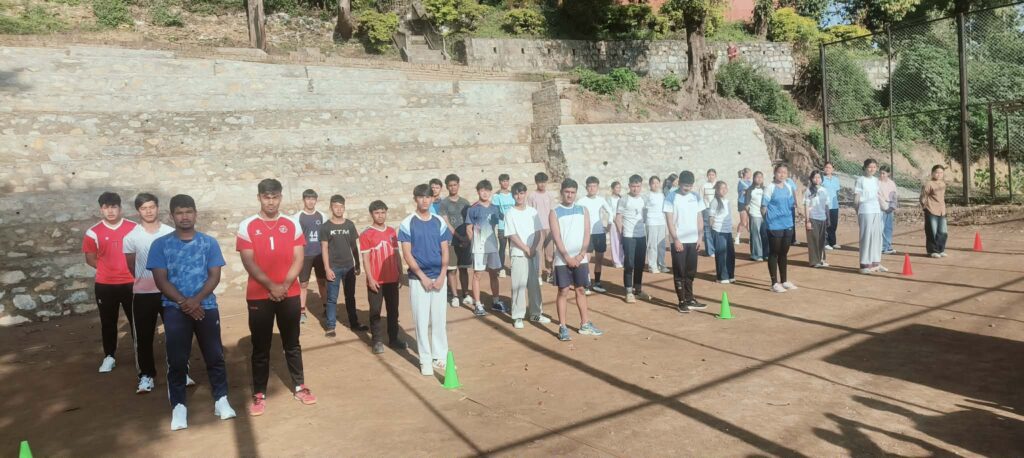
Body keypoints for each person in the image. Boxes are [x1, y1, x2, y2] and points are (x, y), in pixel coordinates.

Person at [148, 194, 236, 430]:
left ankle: (221, 399)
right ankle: (179, 406)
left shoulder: (209, 243)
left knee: (215, 356)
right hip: (174, 309)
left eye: (188, 211)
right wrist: (184, 302)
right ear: (172, 216)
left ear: (195, 214)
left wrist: (195, 301)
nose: (184, 216)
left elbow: (214, 276)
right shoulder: (160, 245)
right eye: (179, 212)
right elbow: (160, 279)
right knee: (177, 359)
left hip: (206, 308)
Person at [237, 178, 316, 416]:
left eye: (274, 197)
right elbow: (248, 261)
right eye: (266, 197)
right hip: (259, 296)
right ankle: (259, 393)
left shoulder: (292, 224)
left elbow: (299, 258)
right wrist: (272, 286)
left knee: (292, 344)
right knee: (260, 347)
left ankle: (299, 387)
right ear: (259, 198)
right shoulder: (247, 225)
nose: (270, 202)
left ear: (280, 197)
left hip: (289, 293)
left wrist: (284, 285)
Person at [398, 184, 452, 376]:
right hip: (418, 279)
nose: (425, 200)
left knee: (439, 320)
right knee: (421, 321)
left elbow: (445, 249)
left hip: (439, 278)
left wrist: (443, 274)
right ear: (415, 199)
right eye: (421, 197)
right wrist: (422, 277)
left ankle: (440, 357)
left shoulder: (439, 221)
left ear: (432, 199)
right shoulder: (407, 223)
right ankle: (425, 360)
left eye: (428, 197)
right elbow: (407, 253)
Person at [122, 193, 174, 393]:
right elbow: (131, 265)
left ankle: (180, 371)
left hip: (169, 291)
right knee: (143, 336)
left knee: (176, 333)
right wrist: (145, 280)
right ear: (138, 211)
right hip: (143, 294)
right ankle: (146, 375)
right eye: (144, 208)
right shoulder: (131, 237)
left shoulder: (170, 232)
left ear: (157, 207)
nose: (149, 211)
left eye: (151, 207)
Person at [84, 191, 138, 373]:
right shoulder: (93, 232)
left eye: (114, 207)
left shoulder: (134, 228)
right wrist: (108, 270)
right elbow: (90, 258)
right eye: (106, 207)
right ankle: (109, 357)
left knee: (136, 321)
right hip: (105, 285)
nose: (110, 211)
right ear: (101, 210)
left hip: (131, 283)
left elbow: (141, 252)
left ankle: (140, 354)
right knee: (108, 322)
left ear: (120, 208)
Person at [550, 179, 604, 341]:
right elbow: (557, 237)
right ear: (562, 192)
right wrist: (567, 257)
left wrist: (581, 256)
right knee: (563, 291)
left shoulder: (583, 210)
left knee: (580, 290)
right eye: (567, 192)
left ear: (576, 193)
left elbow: (587, 233)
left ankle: (585, 324)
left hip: (580, 259)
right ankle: (563, 327)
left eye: (573, 192)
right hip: (562, 260)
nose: (570, 195)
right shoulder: (554, 212)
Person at [358, 200, 407, 354]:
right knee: (375, 311)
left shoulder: (392, 232)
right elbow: (365, 259)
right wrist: (370, 278)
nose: (380, 215)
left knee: (393, 311)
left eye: (383, 212)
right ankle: (377, 341)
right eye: (377, 213)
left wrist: (400, 273)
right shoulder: (366, 234)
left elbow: (396, 254)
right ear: (371, 214)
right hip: (376, 281)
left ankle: (393, 339)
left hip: (392, 278)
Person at [504, 182, 550, 329]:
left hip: (533, 253)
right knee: (518, 285)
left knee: (534, 284)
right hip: (519, 254)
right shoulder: (509, 213)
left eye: (522, 193)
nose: (519, 196)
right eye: (516, 194)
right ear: (513, 196)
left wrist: (533, 248)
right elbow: (512, 234)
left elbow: (538, 232)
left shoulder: (532, 212)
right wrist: (525, 249)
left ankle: (536, 313)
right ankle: (518, 316)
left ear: (525, 194)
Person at [319, 194, 365, 336]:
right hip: (334, 267)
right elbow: (324, 248)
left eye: (341, 207)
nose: (339, 209)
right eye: (336, 206)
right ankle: (331, 326)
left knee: (350, 297)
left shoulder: (349, 225)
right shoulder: (325, 227)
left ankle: (354, 323)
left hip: (349, 267)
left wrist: (357, 263)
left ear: (344, 208)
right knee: (332, 298)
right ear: (331, 207)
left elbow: (354, 246)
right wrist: (327, 268)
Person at [665, 171, 707, 312]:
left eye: (690, 185)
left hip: (693, 240)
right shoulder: (671, 197)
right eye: (685, 185)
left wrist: (700, 237)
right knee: (680, 271)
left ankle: (690, 298)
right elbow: (669, 221)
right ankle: (681, 301)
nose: (687, 188)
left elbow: (699, 217)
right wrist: (676, 239)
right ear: (679, 183)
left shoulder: (696, 197)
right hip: (679, 241)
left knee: (691, 271)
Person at [466, 179, 506, 316]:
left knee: (494, 274)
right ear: (478, 192)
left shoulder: (495, 208)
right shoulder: (473, 208)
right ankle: (478, 304)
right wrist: (475, 243)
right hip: (479, 248)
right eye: (482, 190)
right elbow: (469, 229)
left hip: (493, 246)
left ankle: (496, 301)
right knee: (477, 275)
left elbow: (505, 219)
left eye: (487, 190)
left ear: (490, 192)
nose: (485, 193)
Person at [438, 174, 472, 308]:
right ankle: (455, 296)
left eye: (455, 185)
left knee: (463, 269)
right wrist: (459, 237)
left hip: (465, 241)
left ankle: (465, 294)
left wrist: (467, 238)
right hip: (451, 241)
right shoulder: (444, 204)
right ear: (447, 187)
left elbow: (469, 222)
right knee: (451, 270)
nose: (453, 187)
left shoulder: (465, 202)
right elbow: (446, 223)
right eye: (450, 185)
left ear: (458, 185)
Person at [577, 176, 614, 294]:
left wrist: (609, 225)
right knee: (586, 259)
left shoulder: (601, 200)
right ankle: (586, 283)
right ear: (586, 187)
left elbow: (610, 212)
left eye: (594, 186)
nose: (592, 188)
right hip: (587, 234)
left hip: (600, 233)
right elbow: (576, 216)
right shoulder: (581, 201)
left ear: (597, 187)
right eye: (590, 186)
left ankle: (597, 282)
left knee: (599, 259)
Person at [763, 164, 797, 293]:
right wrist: (767, 221)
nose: (782, 174)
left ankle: (784, 281)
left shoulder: (788, 187)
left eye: (784, 172)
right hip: (774, 225)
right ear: (775, 173)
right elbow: (763, 206)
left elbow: (791, 204)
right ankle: (774, 283)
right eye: (779, 172)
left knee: (784, 252)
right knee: (774, 252)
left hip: (787, 224)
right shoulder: (770, 187)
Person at [296, 189, 328, 325]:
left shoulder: (322, 216)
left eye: (313, 199)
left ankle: (326, 308)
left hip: (320, 255)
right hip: (305, 255)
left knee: (322, 282)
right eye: (308, 199)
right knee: (303, 284)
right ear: (304, 200)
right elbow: (295, 237)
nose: (310, 201)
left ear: (316, 200)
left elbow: (326, 235)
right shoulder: (297, 217)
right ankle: (301, 311)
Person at [616, 175, 648, 304]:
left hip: (641, 236)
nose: (635, 189)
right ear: (629, 186)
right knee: (629, 264)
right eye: (633, 186)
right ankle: (629, 291)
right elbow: (618, 218)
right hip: (629, 236)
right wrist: (622, 234)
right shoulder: (624, 199)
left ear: (641, 186)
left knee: (640, 264)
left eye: (638, 186)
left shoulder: (644, 199)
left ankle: (638, 290)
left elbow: (645, 216)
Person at [855, 159, 886, 274]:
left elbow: (878, 195)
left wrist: (884, 206)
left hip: (876, 210)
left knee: (876, 237)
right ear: (865, 167)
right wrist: (858, 211)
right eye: (869, 167)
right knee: (866, 237)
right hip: (865, 210)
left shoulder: (876, 180)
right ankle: (864, 265)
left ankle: (875, 263)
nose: (872, 169)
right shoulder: (860, 180)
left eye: (874, 167)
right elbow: (857, 198)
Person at [527, 172, 555, 283]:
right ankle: (538, 275)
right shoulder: (532, 196)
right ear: (536, 182)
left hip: (549, 228)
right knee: (537, 252)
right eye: (540, 182)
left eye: (544, 182)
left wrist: (553, 227)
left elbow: (552, 212)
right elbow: (529, 213)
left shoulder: (549, 195)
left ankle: (549, 273)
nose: (542, 184)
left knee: (549, 254)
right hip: (537, 228)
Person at [708, 181, 735, 283]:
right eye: (721, 188)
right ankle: (722, 277)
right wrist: (712, 231)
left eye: (725, 188)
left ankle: (730, 275)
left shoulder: (727, 201)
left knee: (730, 254)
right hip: (718, 231)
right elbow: (711, 218)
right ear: (717, 190)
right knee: (721, 254)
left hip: (728, 231)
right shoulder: (714, 201)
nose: (724, 190)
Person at [803, 171, 830, 268]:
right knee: (813, 240)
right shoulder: (808, 191)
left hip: (822, 218)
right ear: (811, 179)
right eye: (815, 177)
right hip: (812, 218)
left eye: (819, 177)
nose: (817, 179)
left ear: (822, 179)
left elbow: (826, 205)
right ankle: (814, 262)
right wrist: (807, 221)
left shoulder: (824, 190)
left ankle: (821, 260)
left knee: (822, 240)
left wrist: (828, 218)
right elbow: (806, 206)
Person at [921, 165, 948, 258]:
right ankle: (932, 251)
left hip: (942, 211)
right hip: (931, 210)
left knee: (943, 231)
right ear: (932, 173)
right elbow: (923, 197)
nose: (939, 174)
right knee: (932, 231)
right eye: (937, 172)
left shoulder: (943, 184)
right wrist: (925, 208)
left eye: (941, 173)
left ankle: (940, 250)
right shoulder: (929, 184)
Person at [493, 173, 516, 278]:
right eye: (503, 181)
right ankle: (501, 268)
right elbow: (495, 209)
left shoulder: (513, 194)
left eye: (507, 181)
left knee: (513, 247)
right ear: (500, 182)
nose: (505, 183)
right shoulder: (496, 196)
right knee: (502, 247)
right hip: (502, 226)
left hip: (513, 226)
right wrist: (501, 215)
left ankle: (514, 267)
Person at [645, 176, 669, 273]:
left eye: (657, 183)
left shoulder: (662, 195)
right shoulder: (647, 196)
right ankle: (652, 266)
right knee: (652, 245)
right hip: (651, 222)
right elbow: (643, 210)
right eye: (653, 183)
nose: (655, 185)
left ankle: (661, 264)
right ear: (650, 184)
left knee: (661, 245)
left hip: (661, 222)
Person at [744, 171, 768, 261]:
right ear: (754, 178)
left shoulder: (765, 189)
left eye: (761, 177)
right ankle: (757, 255)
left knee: (765, 235)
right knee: (755, 236)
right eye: (757, 177)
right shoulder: (750, 190)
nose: (759, 179)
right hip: (755, 215)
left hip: (765, 216)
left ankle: (766, 254)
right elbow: (746, 205)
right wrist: (751, 215)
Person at [878, 166, 899, 255]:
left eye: (884, 173)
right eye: (880, 173)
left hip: (890, 208)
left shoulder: (891, 183)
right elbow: (878, 196)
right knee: (881, 227)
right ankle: (882, 247)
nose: (882, 175)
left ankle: (888, 246)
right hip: (881, 208)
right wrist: (885, 207)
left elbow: (894, 195)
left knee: (888, 227)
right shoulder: (877, 183)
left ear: (888, 174)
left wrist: (892, 206)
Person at [822, 162, 842, 250]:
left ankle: (833, 242)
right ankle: (825, 243)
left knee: (833, 224)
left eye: (830, 168)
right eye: (826, 167)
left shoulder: (836, 179)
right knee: (826, 224)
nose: (828, 169)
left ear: (832, 169)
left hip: (834, 205)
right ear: (824, 168)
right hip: (825, 205)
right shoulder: (821, 179)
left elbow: (837, 192)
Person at [607, 181, 624, 269]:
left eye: (619, 187)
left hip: (622, 222)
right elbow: (610, 212)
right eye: (617, 187)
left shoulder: (622, 199)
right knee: (615, 241)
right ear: (613, 189)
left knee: (622, 242)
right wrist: (616, 221)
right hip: (613, 224)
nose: (618, 189)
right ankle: (616, 261)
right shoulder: (609, 199)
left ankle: (622, 259)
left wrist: (621, 222)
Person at [701, 169, 718, 257]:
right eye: (709, 175)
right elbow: (701, 199)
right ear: (707, 176)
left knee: (717, 229)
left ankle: (717, 248)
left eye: (713, 174)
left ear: (715, 175)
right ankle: (710, 251)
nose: (711, 176)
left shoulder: (719, 185)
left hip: (717, 210)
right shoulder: (704, 186)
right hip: (707, 209)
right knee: (707, 230)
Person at [736, 168, 752, 245]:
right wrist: (747, 192)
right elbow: (742, 192)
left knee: (750, 222)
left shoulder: (750, 182)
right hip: (742, 203)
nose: (750, 175)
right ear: (745, 174)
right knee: (743, 222)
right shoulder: (741, 182)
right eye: (749, 173)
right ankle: (737, 237)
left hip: (749, 203)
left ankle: (751, 237)